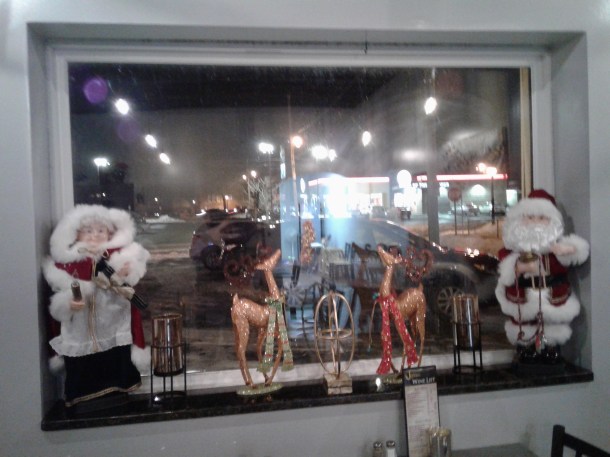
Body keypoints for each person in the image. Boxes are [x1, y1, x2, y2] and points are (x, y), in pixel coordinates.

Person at [43, 204, 150, 408]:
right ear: (76, 234)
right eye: (88, 231)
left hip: (113, 322)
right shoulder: (68, 264)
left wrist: (125, 273)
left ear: (110, 233)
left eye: (101, 230)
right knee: (83, 367)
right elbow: (59, 295)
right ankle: (82, 398)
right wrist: (69, 303)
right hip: (80, 328)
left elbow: (130, 279)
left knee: (115, 361)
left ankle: (119, 391)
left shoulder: (118, 256)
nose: (95, 235)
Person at [495, 189, 589, 366]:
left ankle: (551, 350)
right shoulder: (513, 249)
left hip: (553, 296)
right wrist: (520, 267)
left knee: (552, 326)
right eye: (530, 218)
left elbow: (579, 252)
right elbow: (505, 268)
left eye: (541, 218)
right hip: (522, 298)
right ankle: (526, 350)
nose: (535, 223)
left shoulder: (556, 248)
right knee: (523, 325)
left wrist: (568, 249)